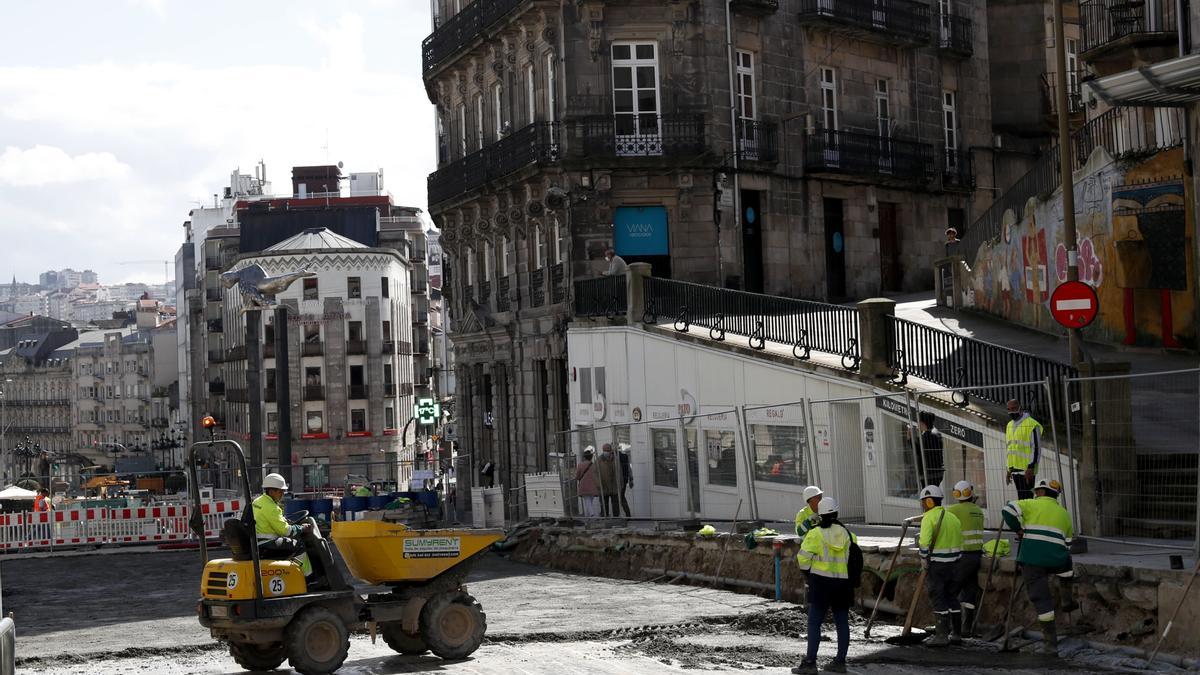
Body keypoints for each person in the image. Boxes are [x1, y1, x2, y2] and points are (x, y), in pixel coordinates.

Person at [1002, 478, 1076, 655]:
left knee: (1042, 599)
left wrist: (1018, 529)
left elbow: (1007, 510)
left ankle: (1050, 643)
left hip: (1032, 560)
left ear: (1040, 492)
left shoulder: (1030, 504)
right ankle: (1067, 598)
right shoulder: (1064, 513)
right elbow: (1068, 543)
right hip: (1057, 560)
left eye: (1036, 492)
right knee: (1067, 563)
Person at [793, 497, 855, 674]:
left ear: (819, 515)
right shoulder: (847, 534)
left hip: (820, 583)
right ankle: (840, 662)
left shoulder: (815, 533)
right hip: (842, 583)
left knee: (814, 623)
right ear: (836, 512)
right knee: (842, 622)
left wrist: (809, 574)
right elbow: (853, 559)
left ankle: (810, 663)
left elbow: (802, 559)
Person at [918, 484, 964, 646]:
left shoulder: (929, 518)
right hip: (955, 564)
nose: (922, 505)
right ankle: (956, 634)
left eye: (923, 502)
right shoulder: (952, 517)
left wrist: (923, 559)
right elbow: (960, 541)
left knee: (938, 597)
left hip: (938, 565)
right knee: (952, 597)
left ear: (929, 502)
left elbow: (924, 542)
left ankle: (942, 636)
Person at [252, 472, 313, 577]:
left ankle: (292, 574)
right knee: (298, 545)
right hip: (267, 544)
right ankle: (308, 577)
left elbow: (271, 521)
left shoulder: (257, 502)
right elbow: (286, 531)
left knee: (289, 545)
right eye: (280, 492)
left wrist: (285, 522)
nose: (282, 495)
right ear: (271, 491)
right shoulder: (272, 508)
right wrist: (302, 528)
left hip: (257, 544)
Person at [948, 480, 986, 636]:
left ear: (956, 494)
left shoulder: (954, 510)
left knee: (950, 592)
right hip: (976, 556)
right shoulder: (978, 510)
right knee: (969, 591)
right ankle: (966, 628)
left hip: (962, 556)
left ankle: (950, 629)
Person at [1005, 399, 1042, 499]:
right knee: (1021, 500)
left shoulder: (1032, 424)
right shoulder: (1009, 425)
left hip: (1027, 471)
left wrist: (1030, 467)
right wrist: (1009, 470)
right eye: (1008, 409)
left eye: (1013, 409)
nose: (1011, 412)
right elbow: (1010, 449)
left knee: (1028, 499)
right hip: (1015, 471)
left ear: (1020, 408)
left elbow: (1036, 448)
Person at [917, 412, 945, 489]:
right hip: (936, 472)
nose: (918, 424)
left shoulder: (926, 437)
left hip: (928, 474)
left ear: (923, 423)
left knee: (929, 495)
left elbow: (918, 451)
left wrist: (910, 439)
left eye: (918, 422)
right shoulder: (936, 434)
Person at [574, 448, 599, 518]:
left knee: (587, 501)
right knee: (590, 501)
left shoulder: (580, 465)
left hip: (584, 486)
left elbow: (577, 476)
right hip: (593, 486)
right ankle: (588, 516)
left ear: (584, 457)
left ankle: (592, 515)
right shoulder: (594, 465)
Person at [597, 444, 620, 517]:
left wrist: (620, 485)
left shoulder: (615, 459)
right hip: (603, 487)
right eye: (605, 450)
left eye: (607, 450)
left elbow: (620, 473)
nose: (606, 452)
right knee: (604, 504)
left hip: (614, 487)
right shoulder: (599, 460)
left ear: (610, 451)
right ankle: (605, 517)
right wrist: (598, 484)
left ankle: (616, 518)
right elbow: (594, 473)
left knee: (615, 504)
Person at [617, 443, 634, 518]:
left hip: (619, 480)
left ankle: (625, 514)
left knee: (620, 497)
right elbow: (629, 468)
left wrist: (631, 479)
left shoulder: (613, 458)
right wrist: (630, 479)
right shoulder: (625, 456)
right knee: (621, 497)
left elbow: (628, 467)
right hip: (624, 479)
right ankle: (627, 514)